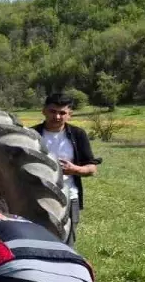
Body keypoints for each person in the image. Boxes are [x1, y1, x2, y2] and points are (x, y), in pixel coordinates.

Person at [33, 93, 99, 245]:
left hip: (69, 198)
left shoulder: (77, 135)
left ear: (70, 114)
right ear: (44, 111)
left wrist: (74, 169)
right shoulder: (32, 134)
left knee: (67, 243)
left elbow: (92, 168)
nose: (57, 117)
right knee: (35, 240)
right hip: (35, 198)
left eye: (62, 113)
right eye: (52, 111)